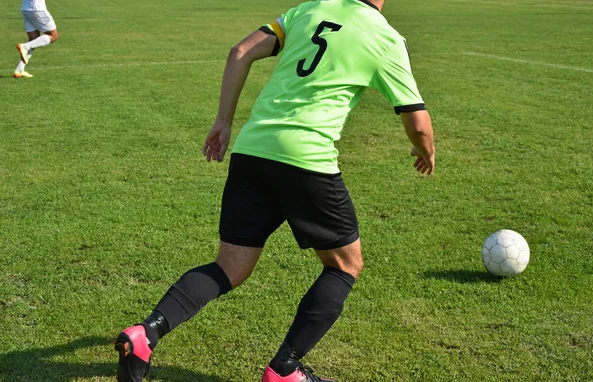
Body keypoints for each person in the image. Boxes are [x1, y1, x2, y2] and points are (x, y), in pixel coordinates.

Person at [114, 0, 435, 381]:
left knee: (229, 267)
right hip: (306, 160)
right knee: (346, 264)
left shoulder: (311, 9)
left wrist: (223, 121)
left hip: (253, 151)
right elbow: (417, 122)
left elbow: (241, 51)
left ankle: (146, 332)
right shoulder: (385, 38)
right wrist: (424, 149)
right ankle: (286, 370)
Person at [14, 0, 59, 78]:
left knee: (33, 40)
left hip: (25, 8)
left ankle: (19, 70)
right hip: (37, 9)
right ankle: (25, 46)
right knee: (53, 35)